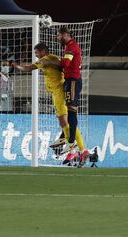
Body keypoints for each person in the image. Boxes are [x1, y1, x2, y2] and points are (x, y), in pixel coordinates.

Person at [42, 27, 90, 166]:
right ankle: (73, 147)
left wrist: (49, 62)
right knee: (68, 116)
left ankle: (71, 146)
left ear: (66, 35)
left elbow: (65, 63)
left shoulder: (71, 47)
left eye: (58, 35)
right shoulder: (69, 46)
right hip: (70, 82)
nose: (57, 38)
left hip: (73, 81)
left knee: (71, 113)